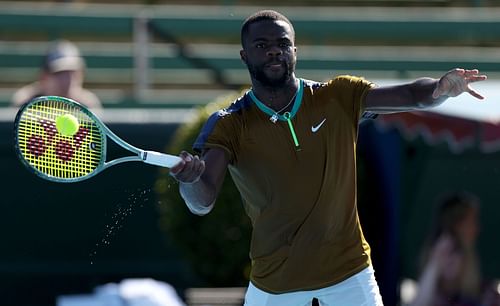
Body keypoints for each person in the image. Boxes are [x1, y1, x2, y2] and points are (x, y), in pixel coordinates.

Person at [169, 10, 488, 306]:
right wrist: (190, 181)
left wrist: (440, 88)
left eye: (283, 44)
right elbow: (202, 200)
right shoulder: (228, 123)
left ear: (295, 51)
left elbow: (409, 96)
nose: (274, 51)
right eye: (262, 45)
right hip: (274, 285)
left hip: (351, 275)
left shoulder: (338, 96)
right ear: (244, 55)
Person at [411, 192, 499, 306]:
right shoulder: (447, 250)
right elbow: (422, 301)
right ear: (458, 224)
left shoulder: (465, 253)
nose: (478, 228)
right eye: (473, 220)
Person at [11, 40, 101, 108]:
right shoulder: (24, 102)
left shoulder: (89, 105)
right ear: (44, 77)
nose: (68, 80)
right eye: (60, 73)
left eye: (72, 73)